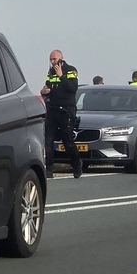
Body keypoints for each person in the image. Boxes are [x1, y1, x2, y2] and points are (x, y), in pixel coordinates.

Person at [41, 49, 82, 179]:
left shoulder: (71, 70)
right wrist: (44, 91)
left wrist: (61, 76)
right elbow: (48, 87)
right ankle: (49, 169)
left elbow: (72, 88)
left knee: (67, 140)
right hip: (52, 109)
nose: (52, 62)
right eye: (51, 59)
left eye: (54, 59)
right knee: (48, 140)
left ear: (61, 58)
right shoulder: (50, 72)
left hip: (66, 110)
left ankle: (76, 164)